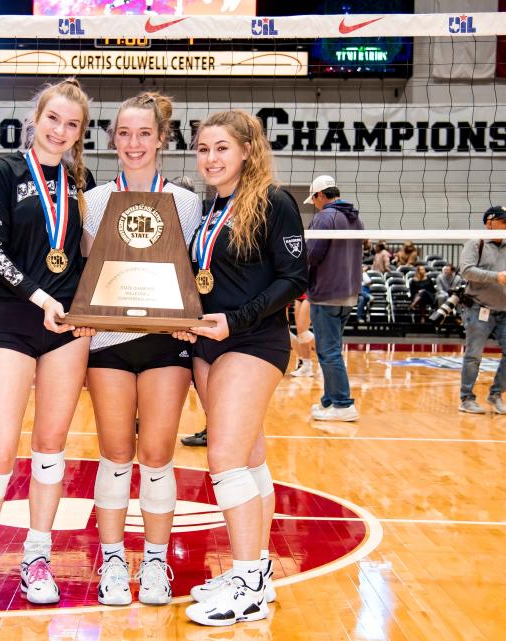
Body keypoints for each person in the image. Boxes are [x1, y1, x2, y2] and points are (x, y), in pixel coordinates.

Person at [0, 78, 95, 616]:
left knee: (51, 448)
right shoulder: (4, 172)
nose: (61, 131)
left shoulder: (82, 181)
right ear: (35, 118)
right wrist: (39, 296)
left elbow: (88, 256)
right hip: (15, 317)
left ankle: (38, 556)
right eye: (53, 119)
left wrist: (88, 307)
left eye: (72, 124)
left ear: (80, 133)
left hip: (67, 328)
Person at [180, 110, 307, 627]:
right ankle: (256, 573)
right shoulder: (210, 207)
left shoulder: (274, 202)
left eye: (221, 148)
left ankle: (249, 579)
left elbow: (293, 278)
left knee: (225, 458)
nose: (210, 158)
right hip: (208, 344)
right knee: (250, 459)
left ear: (247, 151)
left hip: (253, 340)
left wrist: (236, 320)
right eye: (203, 149)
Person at [82, 91, 202, 606]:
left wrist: (189, 318)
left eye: (144, 133)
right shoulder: (90, 202)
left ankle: (155, 562)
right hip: (107, 342)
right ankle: (113, 561)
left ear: (162, 139)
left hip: (164, 342)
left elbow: (192, 275)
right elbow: (87, 274)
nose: (135, 143)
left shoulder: (187, 201)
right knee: (114, 455)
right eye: (125, 134)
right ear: (113, 141)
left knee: (156, 457)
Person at [458, 206, 506, 415]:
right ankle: (466, 398)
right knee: (474, 355)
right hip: (478, 308)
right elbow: (465, 271)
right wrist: (495, 276)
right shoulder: (476, 243)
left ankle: (496, 394)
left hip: (504, 310)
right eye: (503, 220)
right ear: (489, 222)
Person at [304, 175, 363, 422]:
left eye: (314, 199)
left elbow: (313, 254)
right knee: (332, 349)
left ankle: (342, 403)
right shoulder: (355, 218)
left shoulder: (324, 217)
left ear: (320, 195)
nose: (314, 204)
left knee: (328, 352)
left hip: (327, 292)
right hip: (348, 293)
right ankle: (330, 400)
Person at [289, 295, 315, 377]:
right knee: (300, 333)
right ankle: (306, 366)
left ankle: (329, 352)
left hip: (310, 294)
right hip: (299, 296)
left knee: (303, 332)